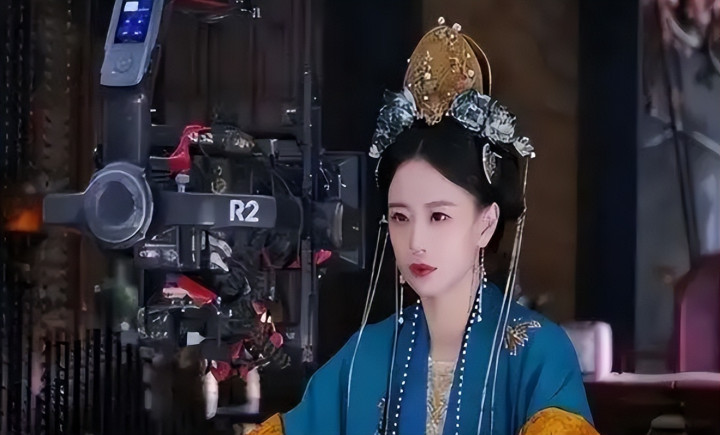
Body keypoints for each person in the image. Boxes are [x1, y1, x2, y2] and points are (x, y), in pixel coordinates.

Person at [250, 18, 598, 435]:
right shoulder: (365, 356)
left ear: (486, 223)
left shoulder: (537, 353)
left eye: (439, 216)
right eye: (400, 217)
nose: (415, 241)